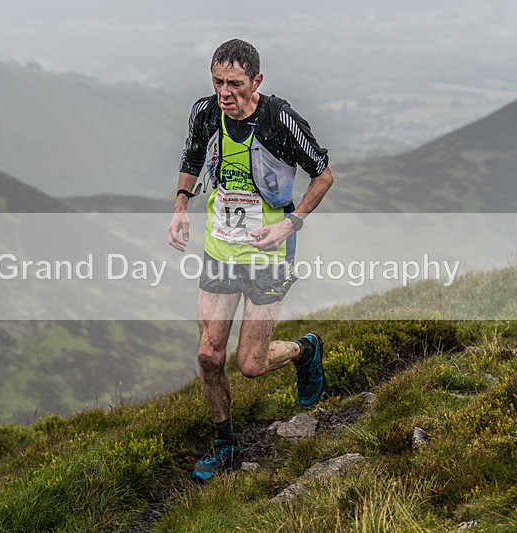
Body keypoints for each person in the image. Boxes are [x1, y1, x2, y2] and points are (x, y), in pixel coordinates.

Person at [168, 38, 334, 481]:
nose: (225, 92)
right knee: (208, 355)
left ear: (256, 81)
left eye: (235, 84)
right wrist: (181, 206)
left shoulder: (280, 119)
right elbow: (191, 153)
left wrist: (291, 223)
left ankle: (305, 351)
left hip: (269, 251)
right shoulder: (206, 112)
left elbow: (324, 175)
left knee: (251, 365)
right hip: (221, 247)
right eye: (218, 82)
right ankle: (225, 445)